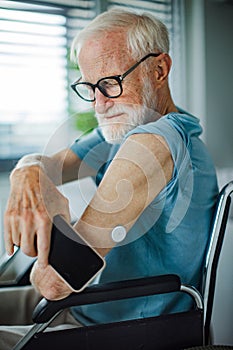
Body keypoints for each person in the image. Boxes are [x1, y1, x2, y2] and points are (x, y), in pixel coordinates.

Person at [0, 8, 218, 349]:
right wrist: (26, 172)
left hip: (129, 329)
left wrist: (56, 216)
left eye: (110, 83)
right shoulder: (124, 126)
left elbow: (57, 281)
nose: (99, 105)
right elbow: (50, 166)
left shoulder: (154, 141)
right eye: (89, 87)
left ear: (159, 69)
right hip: (92, 307)